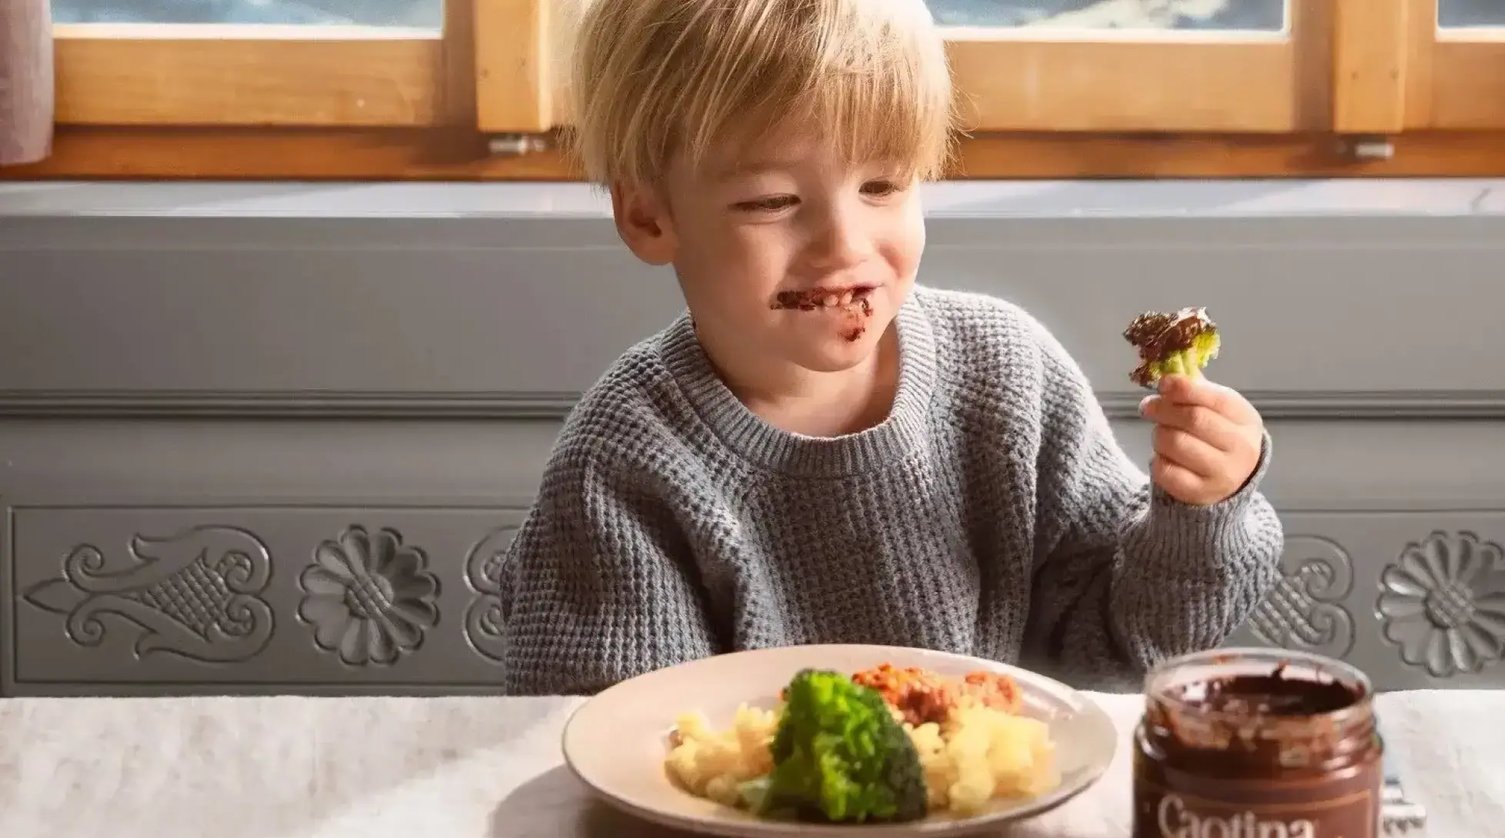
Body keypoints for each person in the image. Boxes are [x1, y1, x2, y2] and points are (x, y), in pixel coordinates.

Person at [499, 0, 1285, 695]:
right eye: (772, 201)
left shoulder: (1006, 374)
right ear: (648, 217)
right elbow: (614, 743)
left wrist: (1200, 513)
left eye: (883, 187)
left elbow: (1122, 650)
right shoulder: (625, 460)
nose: (844, 245)